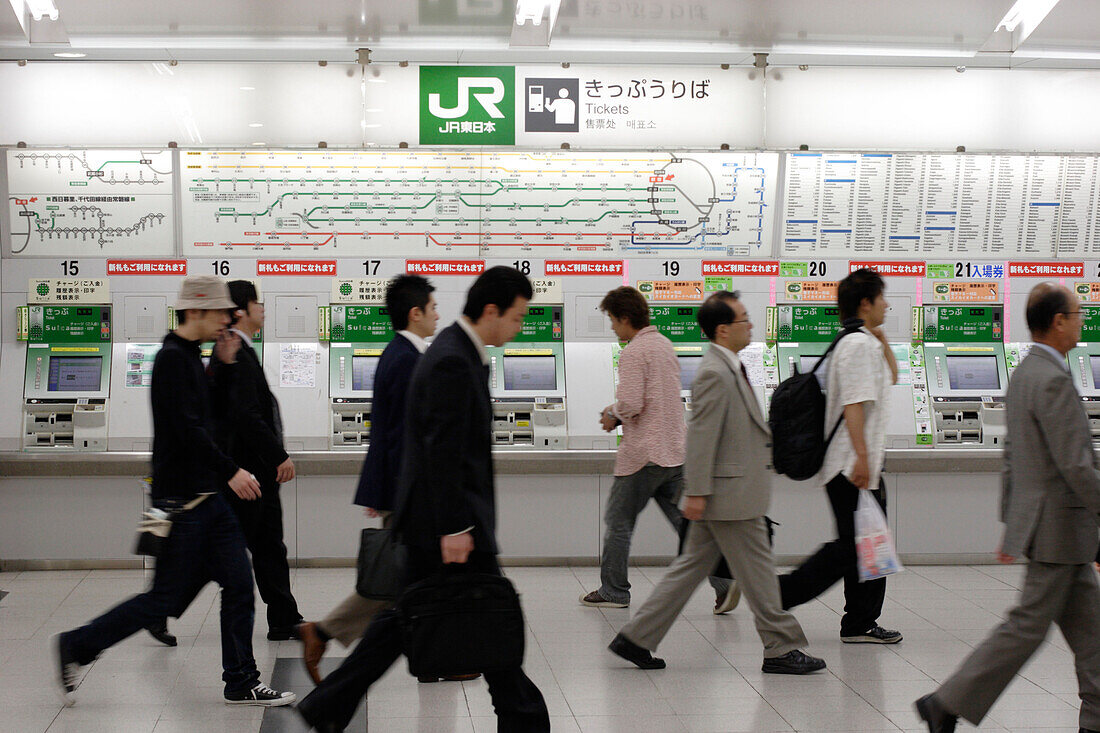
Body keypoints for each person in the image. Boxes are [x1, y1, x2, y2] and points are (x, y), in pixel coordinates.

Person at [296, 266, 550, 732]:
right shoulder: (453, 359)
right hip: (448, 528)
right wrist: (455, 528)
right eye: (517, 318)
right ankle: (526, 721)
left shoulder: (457, 352)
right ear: (491, 310)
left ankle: (325, 708)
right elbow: (442, 451)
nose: (520, 328)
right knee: (490, 624)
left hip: (437, 524)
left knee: (399, 623)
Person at [53, 275, 294, 707]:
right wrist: (233, 470)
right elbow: (188, 432)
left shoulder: (192, 356)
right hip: (179, 505)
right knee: (161, 600)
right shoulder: (170, 360)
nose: (227, 319)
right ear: (196, 312)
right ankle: (77, 644)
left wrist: (224, 366)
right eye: (221, 312)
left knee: (239, 585)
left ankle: (241, 680)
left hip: (208, 502)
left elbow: (212, 418)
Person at [608, 291, 826, 675]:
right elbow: (703, 434)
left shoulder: (727, 366)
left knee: (689, 569)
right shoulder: (714, 372)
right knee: (758, 574)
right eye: (744, 319)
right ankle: (780, 647)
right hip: (730, 495)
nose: (751, 325)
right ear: (724, 330)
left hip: (727, 492)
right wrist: (695, 490)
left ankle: (636, 637)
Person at [915, 284, 1100, 733]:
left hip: (1057, 530)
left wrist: (1012, 520)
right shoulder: (1053, 379)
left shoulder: (1023, 373)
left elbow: (1014, 456)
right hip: (1060, 528)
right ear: (1058, 321)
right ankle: (946, 701)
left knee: (1093, 636)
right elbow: (1075, 465)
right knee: (1025, 628)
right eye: (1077, 314)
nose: (1082, 321)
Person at [297, 274, 458, 685]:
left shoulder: (400, 353)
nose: (438, 315)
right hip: (409, 490)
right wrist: (403, 493)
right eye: (433, 307)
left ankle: (427, 659)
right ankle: (327, 632)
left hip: (400, 485)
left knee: (411, 580)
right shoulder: (405, 359)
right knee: (402, 581)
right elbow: (405, 436)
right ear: (415, 312)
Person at [580, 286, 732, 610]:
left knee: (618, 524)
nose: (611, 327)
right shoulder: (664, 344)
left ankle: (614, 591)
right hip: (675, 450)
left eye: (612, 320)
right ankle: (724, 583)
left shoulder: (633, 352)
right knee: (688, 525)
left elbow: (633, 404)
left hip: (643, 456)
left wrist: (611, 415)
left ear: (624, 317)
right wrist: (618, 408)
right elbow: (655, 397)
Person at [776, 267, 903, 645]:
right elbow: (853, 407)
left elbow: (892, 377)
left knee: (869, 543)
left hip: (858, 463)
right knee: (853, 546)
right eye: (882, 298)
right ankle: (781, 595)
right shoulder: (857, 346)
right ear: (866, 303)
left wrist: (882, 340)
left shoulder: (860, 342)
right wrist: (863, 460)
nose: (887, 304)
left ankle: (860, 622)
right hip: (852, 466)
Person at [207, 280, 303, 640]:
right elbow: (246, 416)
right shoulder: (232, 355)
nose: (263, 309)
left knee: (269, 547)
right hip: (246, 474)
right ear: (241, 311)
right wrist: (279, 455)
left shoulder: (240, 351)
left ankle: (283, 617)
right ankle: (163, 605)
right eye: (257, 303)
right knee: (222, 555)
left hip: (256, 472)